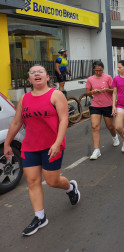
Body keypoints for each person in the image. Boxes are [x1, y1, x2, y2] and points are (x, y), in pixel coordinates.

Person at [3, 64, 80, 236]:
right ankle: (40, 217)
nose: (36, 74)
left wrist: (57, 143)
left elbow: (64, 120)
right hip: (30, 146)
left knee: (52, 181)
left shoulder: (56, 95)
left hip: (52, 145)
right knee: (32, 181)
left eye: (40, 72)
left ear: (47, 77)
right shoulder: (24, 99)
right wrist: (7, 143)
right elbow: (16, 122)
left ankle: (71, 187)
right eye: (32, 72)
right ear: (29, 79)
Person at [86, 61, 119, 160]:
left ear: (103, 69)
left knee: (110, 126)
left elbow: (114, 90)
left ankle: (114, 136)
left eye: (100, 70)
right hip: (95, 105)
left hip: (107, 105)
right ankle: (96, 150)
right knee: (94, 126)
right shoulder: (90, 79)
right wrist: (93, 91)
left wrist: (106, 90)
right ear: (93, 70)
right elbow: (87, 93)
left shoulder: (108, 77)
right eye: (96, 70)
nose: (98, 72)